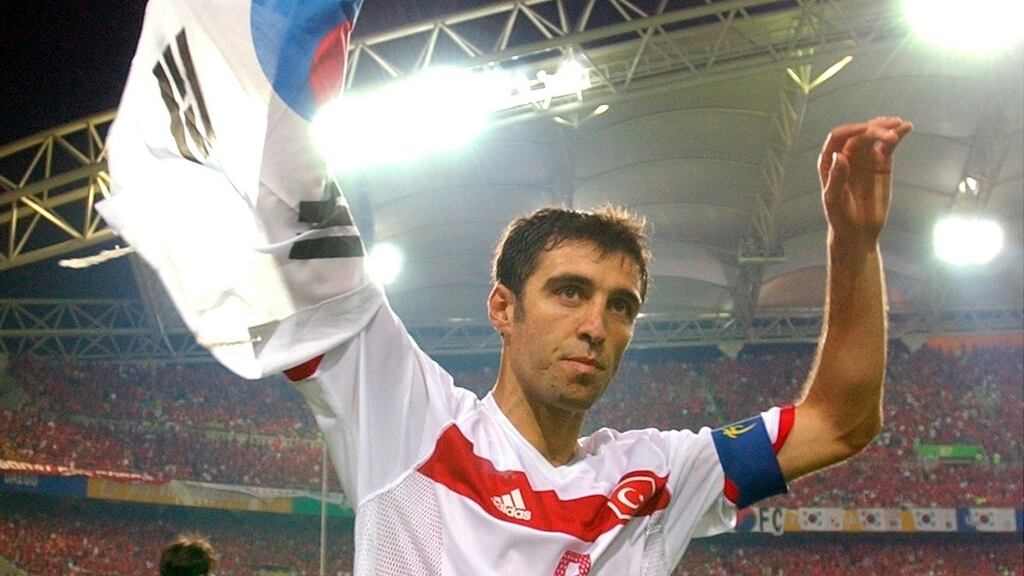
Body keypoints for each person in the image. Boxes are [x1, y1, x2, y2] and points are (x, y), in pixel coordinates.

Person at [280, 116, 913, 574]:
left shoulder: (653, 477)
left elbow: (839, 422)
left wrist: (852, 243)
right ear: (504, 307)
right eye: (569, 292)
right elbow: (289, 227)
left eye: (621, 306)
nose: (595, 325)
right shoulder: (416, 423)